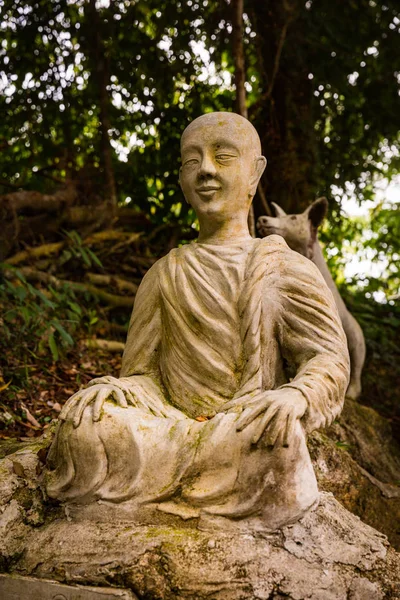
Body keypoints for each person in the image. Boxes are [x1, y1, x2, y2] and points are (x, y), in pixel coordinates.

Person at [46, 112, 350, 529]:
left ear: (255, 173)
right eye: (192, 161)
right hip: (169, 431)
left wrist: (297, 395)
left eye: (222, 156)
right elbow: (145, 376)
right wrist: (116, 390)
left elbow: (329, 359)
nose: (206, 169)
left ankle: (172, 498)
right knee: (86, 426)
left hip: (243, 430)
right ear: (182, 178)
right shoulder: (164, 273)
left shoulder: (284, 268)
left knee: (277, 444)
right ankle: (176, 498)